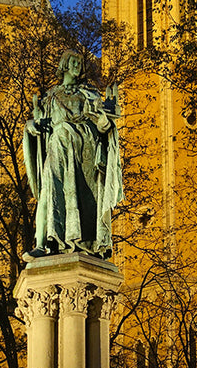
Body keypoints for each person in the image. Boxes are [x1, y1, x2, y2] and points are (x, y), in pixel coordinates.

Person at [23, 49, 123, 260]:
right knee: (49, 193)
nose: (78, 66)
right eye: (74, 62)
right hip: (58, 146)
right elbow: (37, 125)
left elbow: (103, 127)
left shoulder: (90, 94)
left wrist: (107, 120)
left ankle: (85, 241)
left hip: (84, 150)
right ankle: (43, 243)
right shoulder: (50, 97)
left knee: (86, 197)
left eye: (80, 63)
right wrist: (31, 126)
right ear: (64, 65)